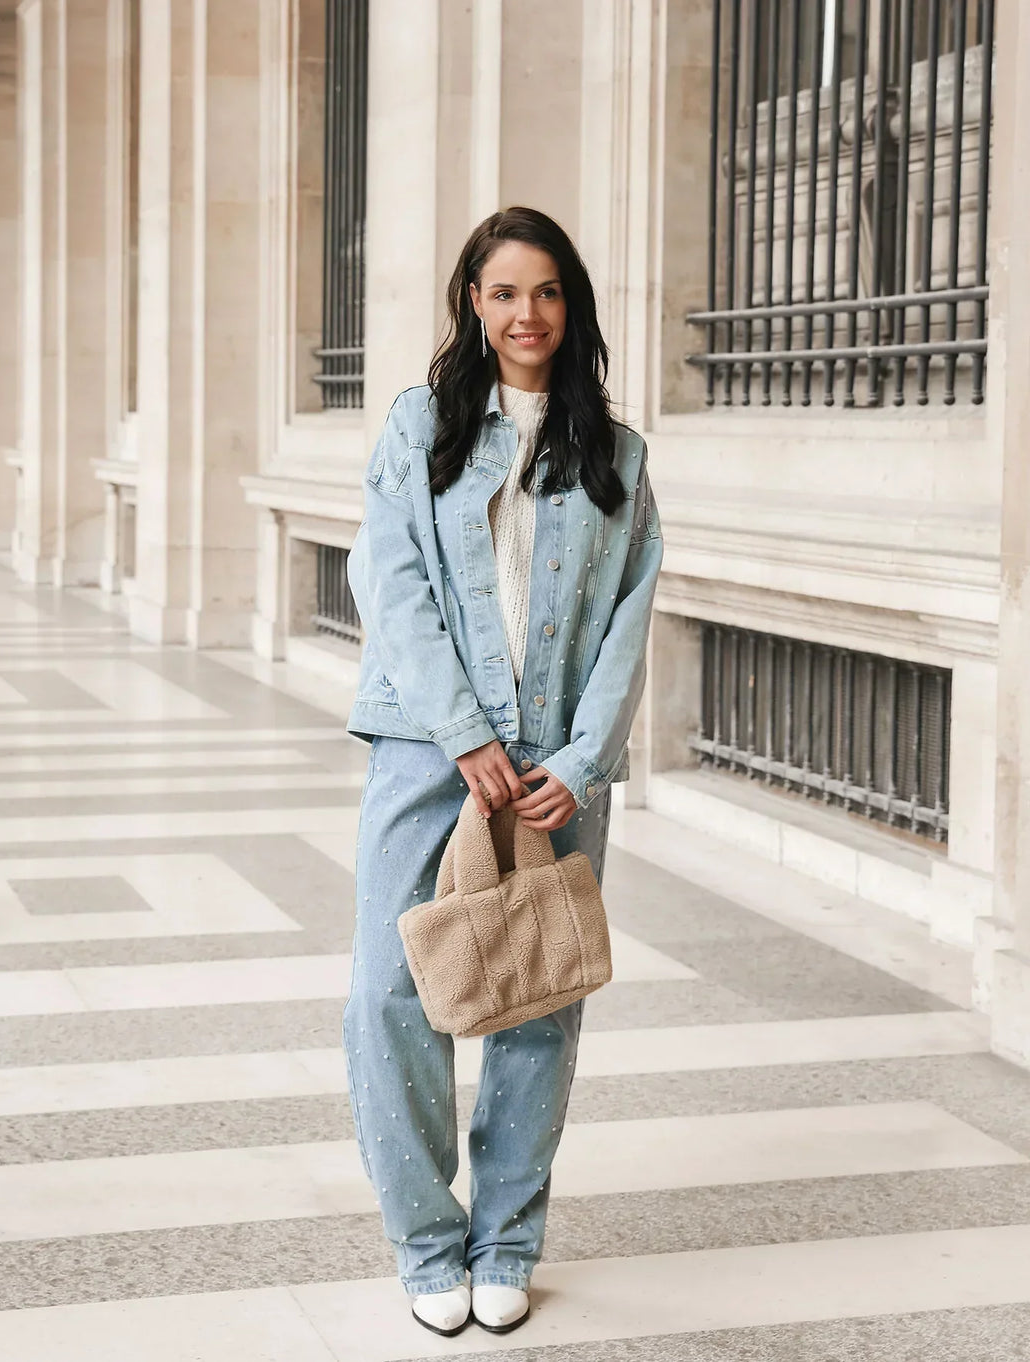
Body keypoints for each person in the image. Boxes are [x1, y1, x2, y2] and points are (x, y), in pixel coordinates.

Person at [342, 205, 663, 1338]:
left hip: (557, 771)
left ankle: (507, 1242)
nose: (527, 314)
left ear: (570, 308)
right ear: (472, 306)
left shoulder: (618, 456)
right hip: (429, 751)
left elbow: (630, 622)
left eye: (548, 292)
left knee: (541, 996)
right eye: (505, 292)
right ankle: (427, 1242)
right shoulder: (417, 426)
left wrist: (580, 760)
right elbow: (388, 587)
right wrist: (464, 732)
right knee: (394, 991)